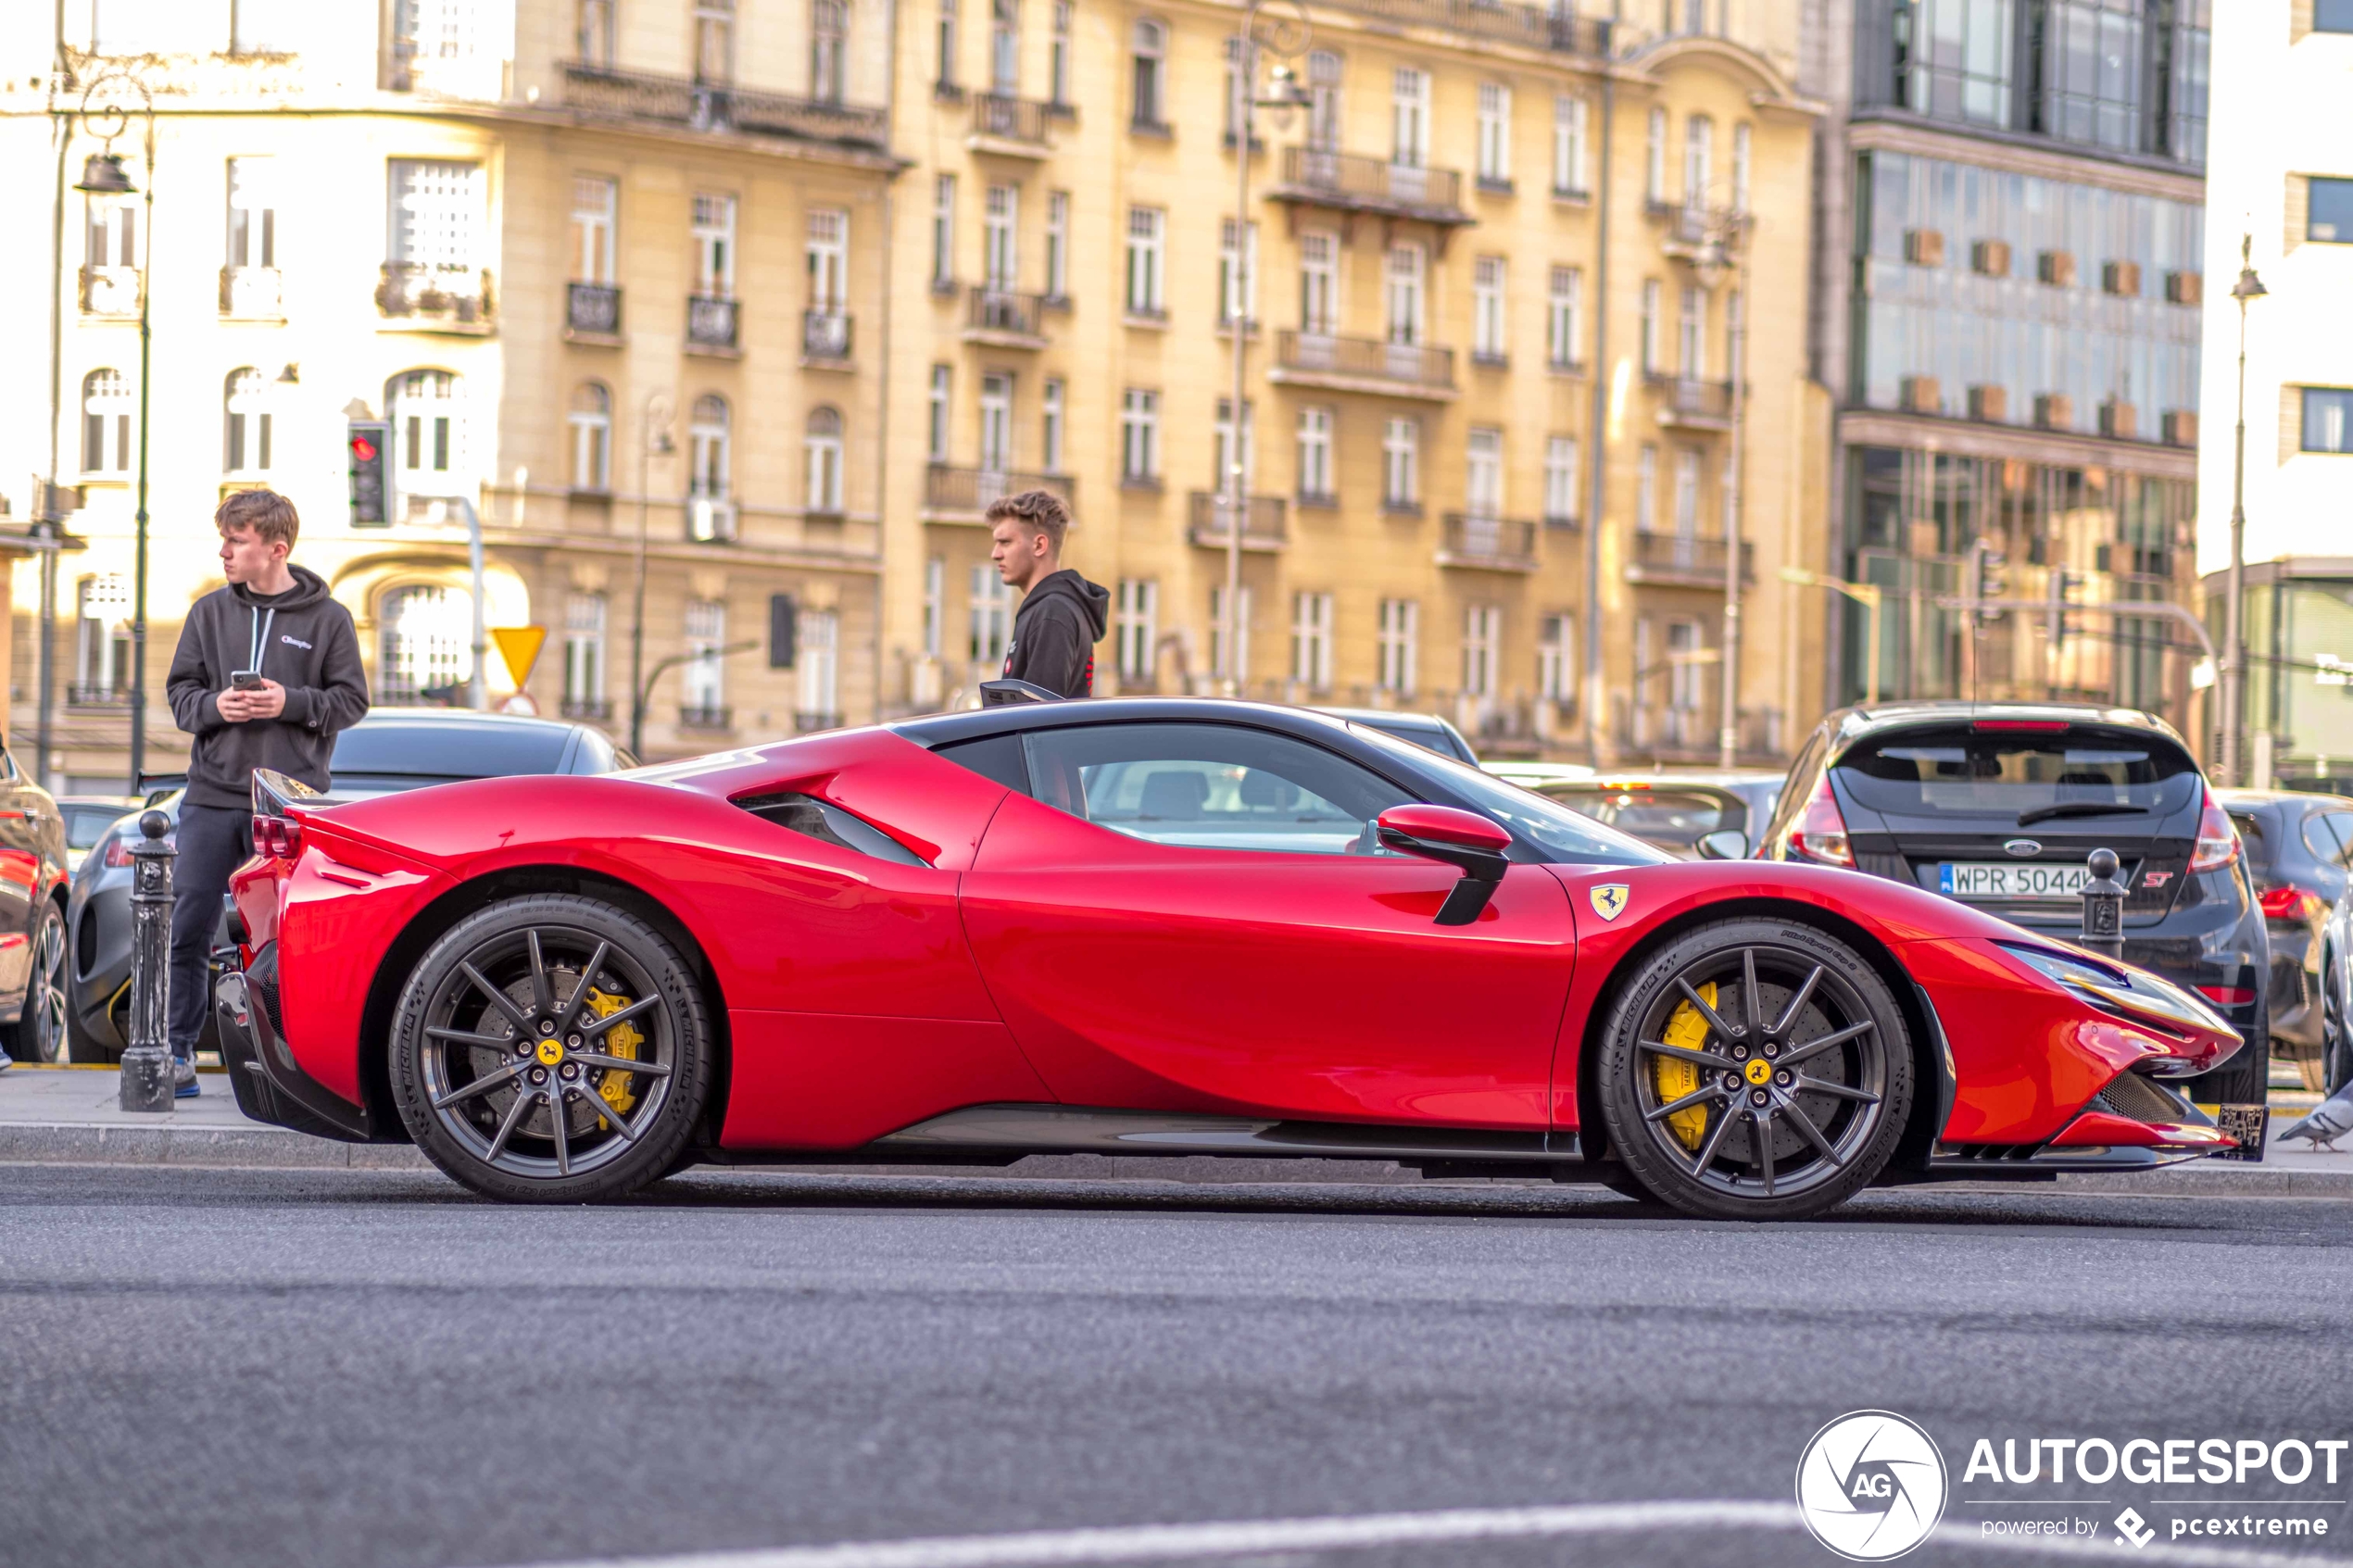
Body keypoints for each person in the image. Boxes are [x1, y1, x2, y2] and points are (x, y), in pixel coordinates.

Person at [163, 490, 368, 1097]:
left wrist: (290, 703)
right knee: (188, 921)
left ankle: (290, 1065)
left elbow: (351, 701)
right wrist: (214, 706)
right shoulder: (208, 613)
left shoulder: (328, 619)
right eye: (224, 538)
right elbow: (180, 696)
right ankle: (177, 1054)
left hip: (288, 800)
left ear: (275, 549)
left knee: (289, 937)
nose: (224, 551)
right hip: (211, 791)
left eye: (238, 540)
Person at [987, 489, 1107, 698]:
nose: (995, 554)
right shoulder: (1053, 607)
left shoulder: (1052, 612)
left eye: (1005, 542)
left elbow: (1039, 721)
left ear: (1039, 545)